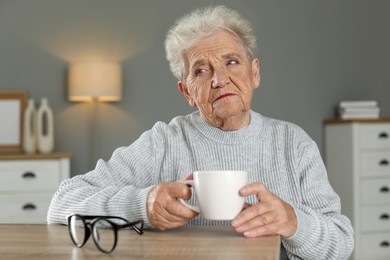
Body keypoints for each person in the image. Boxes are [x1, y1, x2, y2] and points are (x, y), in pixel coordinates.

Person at [48, 5, 354, 259]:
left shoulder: (293, 144)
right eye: (200, 70)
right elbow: (61, 203)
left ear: (255, 72)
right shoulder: (165, 141)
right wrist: (142, 204)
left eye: (231, 62)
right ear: (187, 93)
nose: (219, 79)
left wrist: (294, 222)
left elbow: (341, 243)